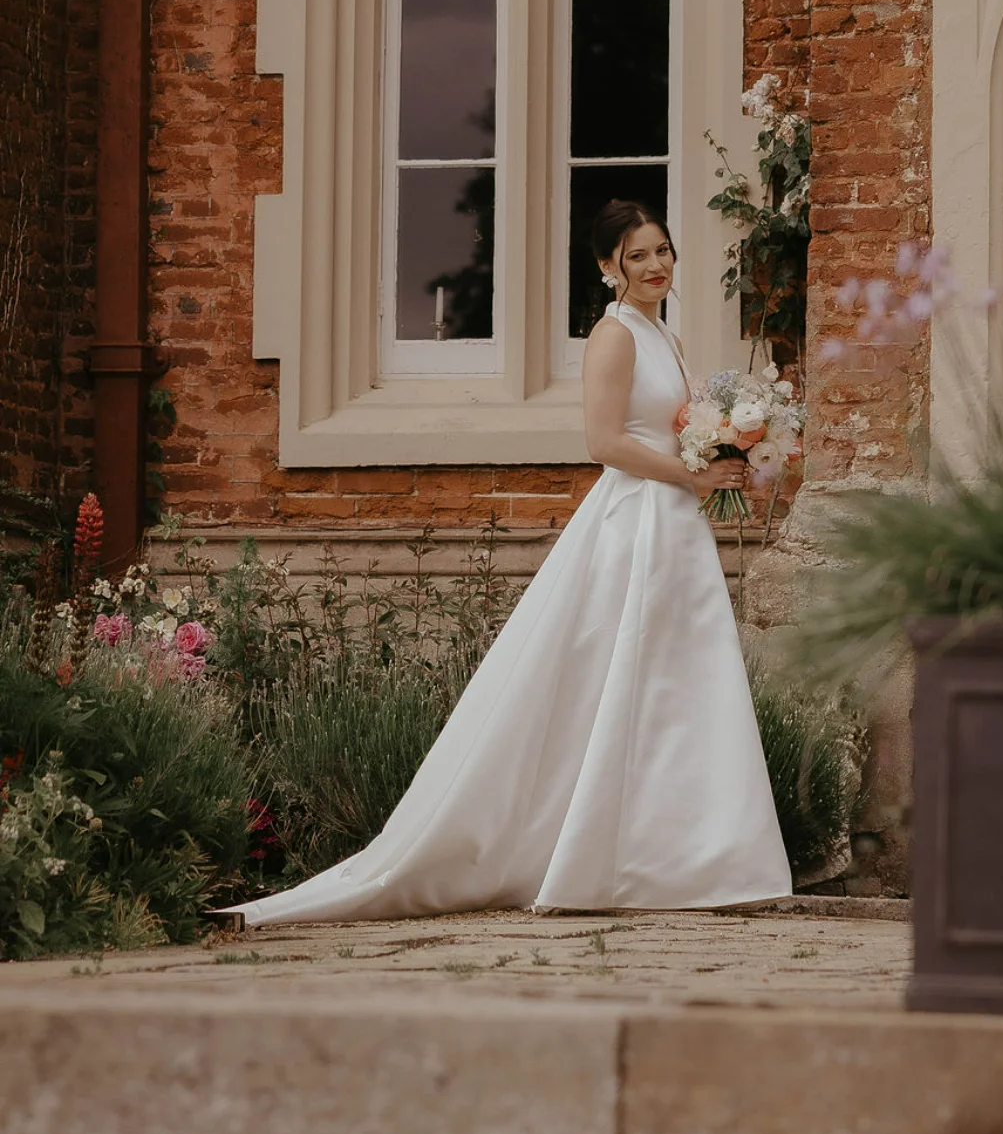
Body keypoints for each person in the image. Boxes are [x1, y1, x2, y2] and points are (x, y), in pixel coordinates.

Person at [222, 199, 791, 924]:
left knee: (680, 683)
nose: (655, 265)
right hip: (635, 525)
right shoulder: (613, 336)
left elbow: (672, 432)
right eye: (638, 254)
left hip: (676, 523)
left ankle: (688, 857)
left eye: (663, 250)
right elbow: (603, 442)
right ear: (606, 266)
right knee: (614, 678)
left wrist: (718, 455)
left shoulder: (667, 338)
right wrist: (694, 476)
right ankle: (593, 857)